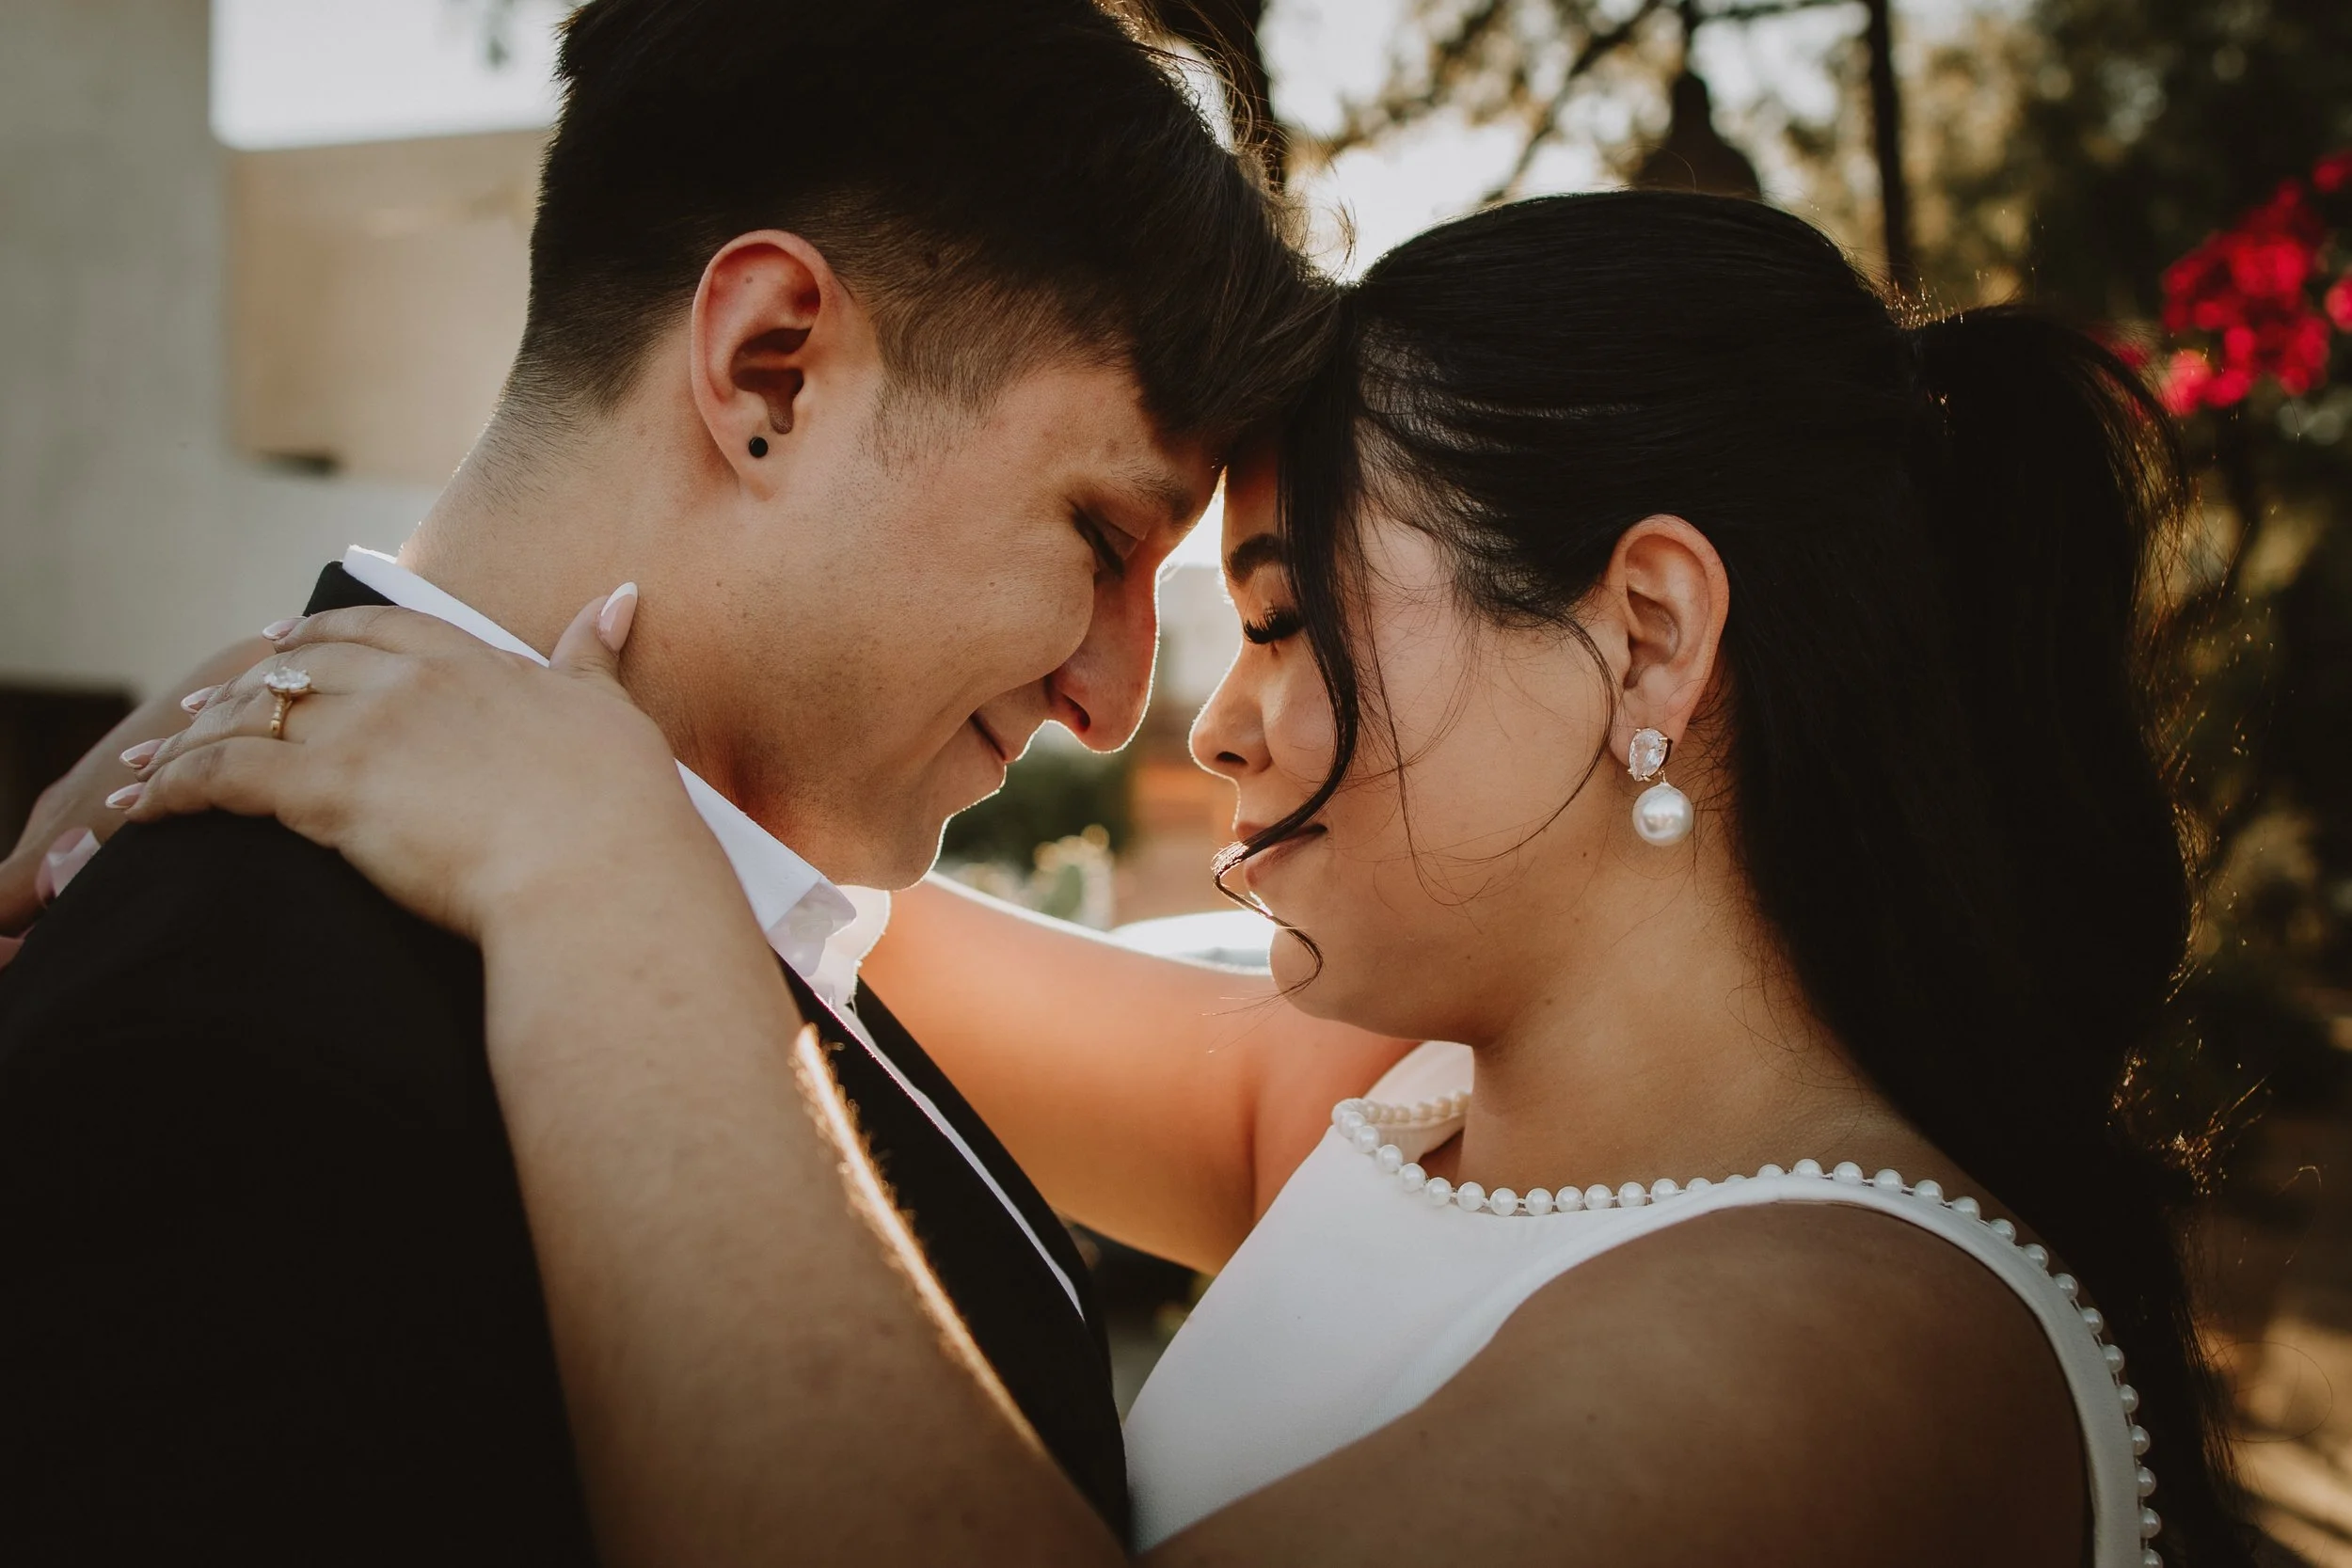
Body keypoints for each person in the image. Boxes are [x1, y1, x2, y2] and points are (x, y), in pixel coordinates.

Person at [85, 191, 2255, 1566]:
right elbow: (797, 894)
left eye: (1290, 615)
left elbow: (661, 899)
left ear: (1648, 638)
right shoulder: (1406, 1122)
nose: (1198, 721)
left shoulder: (1846, 1353)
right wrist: (353, 716)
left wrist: (574, 865)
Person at [0, 0, 1349, 1557]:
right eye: (1102, 539)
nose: (1115, 705)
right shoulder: (214, 1055)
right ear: (770, 370)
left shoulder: (702, 886)